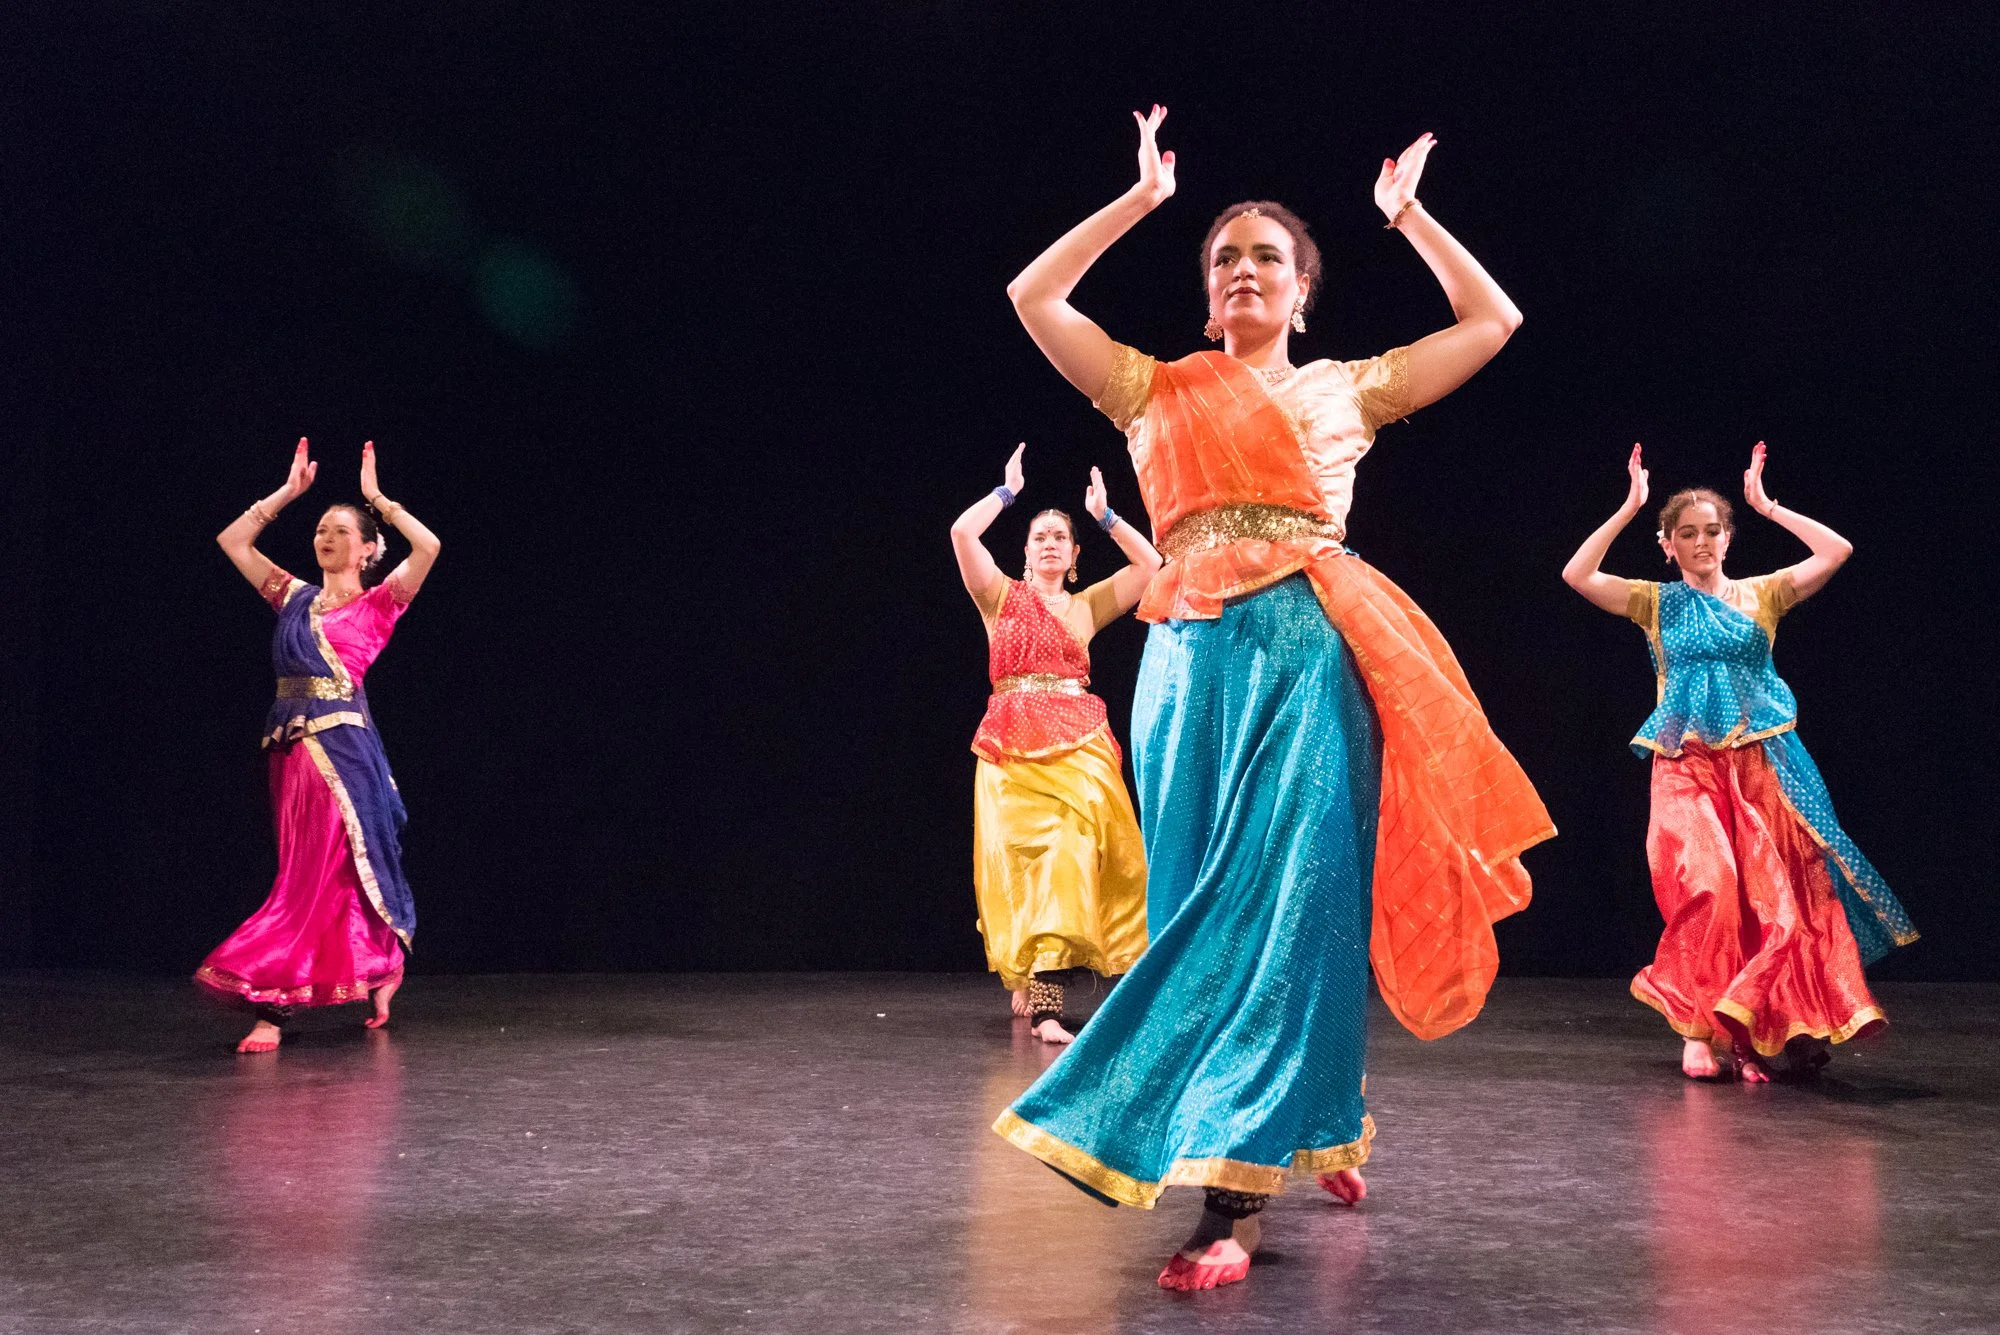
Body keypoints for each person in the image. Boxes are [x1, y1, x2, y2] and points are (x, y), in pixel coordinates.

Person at [990, 106, 1554, 1291]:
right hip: (1189, 669)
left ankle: (1230, 1202)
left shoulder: (1350, 389)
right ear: (1207, 296)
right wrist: (1139, 203)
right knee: (1205, 904)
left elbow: (1491, 321)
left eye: (1267, 258)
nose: (1243, 269)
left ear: (1301, 293)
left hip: (1307, 656)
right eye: (1223, 258)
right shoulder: (1152, 388)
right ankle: (1313, 1117)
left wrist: (1409, 219)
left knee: (1284, 909)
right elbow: (1033, 299)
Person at [1561, 441, 1916, 1080]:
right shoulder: (1654, 602)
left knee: (1782, 901)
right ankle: (1699, 1029)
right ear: (1667, 544)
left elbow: (1837, 551)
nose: (1702, 542)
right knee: (1709, 886)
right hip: (1686, 761)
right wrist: (1628, 507)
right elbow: (1577, 575)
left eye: (1713, 531)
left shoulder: (1765, 594)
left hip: (1766, 761)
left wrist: (1768, 504)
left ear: (1728, 538)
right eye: (1687, 534)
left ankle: (1780, 1021)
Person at [195, 439, 441, 1053]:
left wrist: (379, 500)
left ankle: (272, 1008)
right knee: (313, 875)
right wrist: (285, 495)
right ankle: (379, 968)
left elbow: (429, 547)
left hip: (346, 755)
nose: (324, 537)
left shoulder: (381, 604)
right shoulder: (292, 596)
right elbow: (232, 542)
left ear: (365, 550)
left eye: (338, 530)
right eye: (320, 530)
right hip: (291, 753)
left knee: (318, 876)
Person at [951, 443, 1160, 1042]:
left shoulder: (1085, 606)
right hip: (1013, 745)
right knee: (1027, 867)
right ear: (1023, 551)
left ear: (1072, 557)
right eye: (1039, 535)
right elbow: (963, 534)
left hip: (1079, 744)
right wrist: (1006, 492)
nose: (1048, 542)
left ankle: (1052, 1001)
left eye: (1060, 538)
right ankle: (1036, 983)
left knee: (1075, 857)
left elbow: (1152, 569)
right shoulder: (998, 598)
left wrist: (1107, 517)